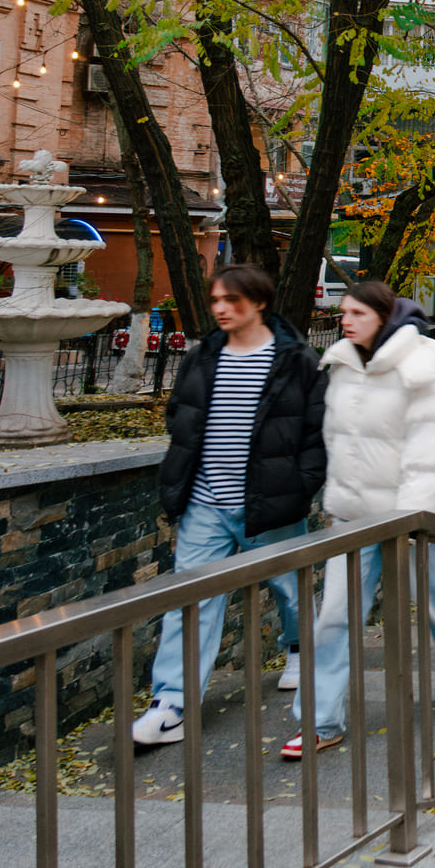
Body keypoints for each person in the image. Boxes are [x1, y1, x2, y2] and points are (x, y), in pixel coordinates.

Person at [133, 265, 326, 747]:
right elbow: (180, 412)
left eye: (232, 300)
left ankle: (299, 651)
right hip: (205, 504)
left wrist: (299, 486)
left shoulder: (296, 359)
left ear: (258, 303)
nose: (220, 308)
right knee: (189, 602)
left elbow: (316, 433)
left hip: (273, 503)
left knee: (291, 590)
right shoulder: (201, 356)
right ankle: (172, 702)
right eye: (216, 299)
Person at [285, 282, 435, 758]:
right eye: (342, 313)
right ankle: (321, 721)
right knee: (333, 615)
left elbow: (432, 450)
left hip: (414, 517)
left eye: (355, 313)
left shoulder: (418, 369)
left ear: (383, 316)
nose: (345, 321)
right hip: (352, 516)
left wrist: (410, 518)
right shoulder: (342, 368)